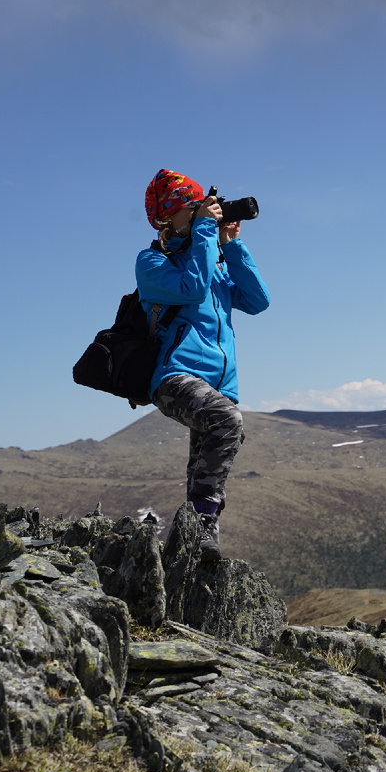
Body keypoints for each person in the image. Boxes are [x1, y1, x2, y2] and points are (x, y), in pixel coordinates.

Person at [137, 169, 270, 561]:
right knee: (227, 422)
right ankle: (204, 521)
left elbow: (257, 300)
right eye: (192, 208)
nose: (202, 213)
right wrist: (206, 235)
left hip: (219, 385)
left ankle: (186, 546)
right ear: (166, 219)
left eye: (203, 206)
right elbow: (191, 288)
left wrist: (230, 245)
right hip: (174, 376)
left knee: (204, 465)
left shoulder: (212, 259)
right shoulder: (152, 262)